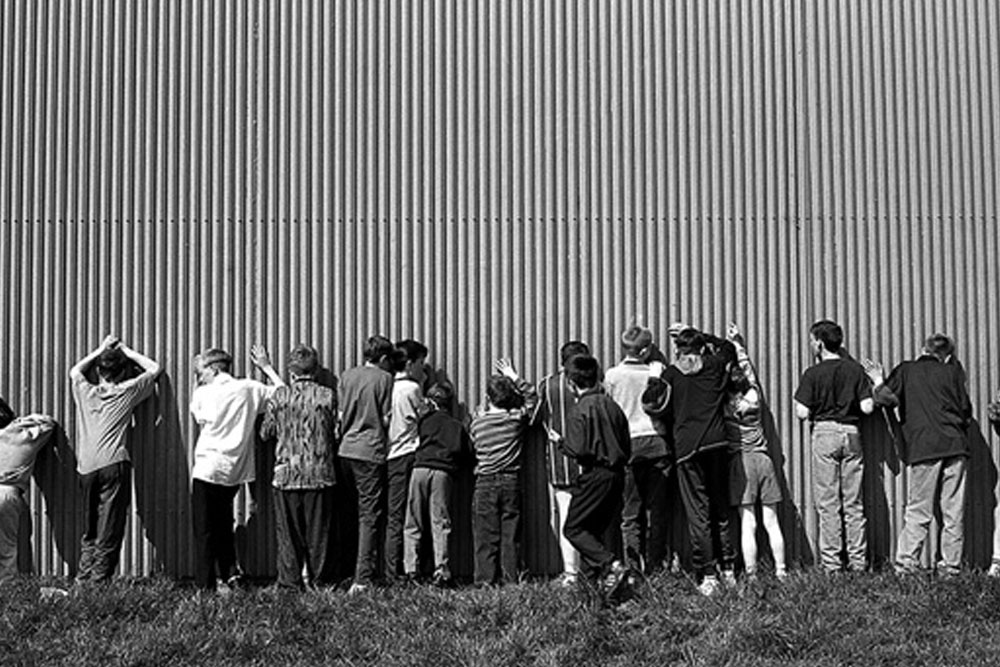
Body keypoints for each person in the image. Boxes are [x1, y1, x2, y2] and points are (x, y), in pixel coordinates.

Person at [862, 334, 971, 576]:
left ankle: (906, 566)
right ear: (948, 356)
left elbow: (884, 399)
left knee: (919, 509)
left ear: (923, 349)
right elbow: (966, 412)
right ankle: (951, 569)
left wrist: (878, 381)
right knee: (953, 511)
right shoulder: (953, 374)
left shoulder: (907, 370)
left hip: (925, 448)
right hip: (956, 446)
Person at [643, 327, 737, 595]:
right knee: (720, 508)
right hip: (718, 444)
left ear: (677, 351)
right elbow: (729, 348)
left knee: (699, 514)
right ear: (702, 348)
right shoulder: (715, 365)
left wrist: (654, 377)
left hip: (687, 449)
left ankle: (708, 575)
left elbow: (651, 404)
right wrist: (704, 335)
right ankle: (728, 570)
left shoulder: (671, 375)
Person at [190, 345, 284, 591]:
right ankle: (231, 574)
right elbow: (283, 393)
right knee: (223, 523)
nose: (199, 377)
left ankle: (205, 587)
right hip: (234, 472)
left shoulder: (203, 393)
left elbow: (197, 415)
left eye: (200, 371)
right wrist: (266, 367)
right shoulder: (249, 388)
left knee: (204, 530)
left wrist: (198, 387)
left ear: (213, 368)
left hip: (207, 468)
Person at [70, 335, 161, 583]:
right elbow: (155, 369)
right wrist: (126, 350)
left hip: (85, 467)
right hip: (113, 463)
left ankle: (83, 578)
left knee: (90, 528)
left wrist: (100, 348)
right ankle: (98, 584)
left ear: (98, 370)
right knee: (109, 526)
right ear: (122, 373)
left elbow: (75, 370)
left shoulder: (84, 391)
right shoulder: (125, 392)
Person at [793, 320, 874, 573]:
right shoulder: (855, 370)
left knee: (828, 503)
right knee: (854, 502)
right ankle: (858, 562)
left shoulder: (812, 373)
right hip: (852, 433)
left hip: (825, 433)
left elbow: (802, 412)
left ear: (818, 342)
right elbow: (867, 408)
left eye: (811, 340)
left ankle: (832, 564)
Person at [259, 344, 338, 589]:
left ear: (291, 373)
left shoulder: (280, 396)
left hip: (286, 474)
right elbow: (336, 432)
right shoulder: (328, 396)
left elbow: (265, 433)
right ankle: (319, 582)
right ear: (314, 371)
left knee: (289, 535)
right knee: (319, 534)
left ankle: (290, 584)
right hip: (320, 472)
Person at [560, 355, 632, 600]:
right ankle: (592, 592)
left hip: (595, 475)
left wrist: (561, 443)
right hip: (617, 475)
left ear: (571, 383)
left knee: (574, 528)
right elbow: (626, 444)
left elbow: (579, 450)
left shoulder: (580, 409)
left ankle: (612, 565)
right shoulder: (613, 406)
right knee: (593, 531)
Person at [605, 326, 671, 576]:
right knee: (657, 511)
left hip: (628, 447)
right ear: (645, 350)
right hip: (656, 444)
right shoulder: (657, 374)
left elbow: (609, 413)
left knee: (630, 513)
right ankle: (655, 566)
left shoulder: (612, 376)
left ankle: (633, 570)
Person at [724, 324, 786, 581]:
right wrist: (738, 344)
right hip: (764, 460)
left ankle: (751, 575)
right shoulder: (755, 397)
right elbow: (749, 372)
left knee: (747, 522)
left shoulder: (725, 404)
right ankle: (782, 571)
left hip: (741, 462)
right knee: (771, 522)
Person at [470, 359, 537, 586]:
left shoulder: (477, 423)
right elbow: (533, 398)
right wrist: (513, 376)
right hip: (511, 480)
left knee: (485, 536)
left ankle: (485, 581)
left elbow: (472, 443)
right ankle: (511, 580)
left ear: (488, 398)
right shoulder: (515, 419)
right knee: (510, 535)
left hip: (484, 482)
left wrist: (481, 412)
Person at [338, 335, 395, 594]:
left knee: (347, 513)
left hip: (345, 450)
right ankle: (362, 579)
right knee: (369, 516)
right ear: (383, 358)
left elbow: (339, 416)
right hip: (370, 451)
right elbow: (385, 419)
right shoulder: (385, 379)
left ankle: (344, 570)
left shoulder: (347, 376)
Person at [403, 382, 471, 586]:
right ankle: (442, 572)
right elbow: (465, 453)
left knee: (413, 521)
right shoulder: (455, 425)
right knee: (440, 523)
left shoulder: (423, 421)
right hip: (442, 473)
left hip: (419, 469)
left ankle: (411, 570)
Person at [532, 340, 589, 587]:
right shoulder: (596, 383)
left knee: (567, 519)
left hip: (560, 464)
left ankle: (571, 574)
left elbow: (533, 418)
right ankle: (592, 570)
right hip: (591, 463)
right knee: (591, 519)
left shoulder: (548, 385)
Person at [384, 339, 429, 581]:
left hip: (389, 455)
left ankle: (392, 569)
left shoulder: (387, 385)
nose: (424, 368)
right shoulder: (411, 389)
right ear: (410, 364)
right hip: (406, 454)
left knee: (393, 515)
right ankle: (399, 571)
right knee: (405, 515)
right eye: (422, 363)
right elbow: (423, 416)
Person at [0, 398, 56, 579]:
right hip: (9, 493)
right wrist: (18, 422)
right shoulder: (22, 436)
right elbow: (48, 422)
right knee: (7, 549)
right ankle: (7, 591)